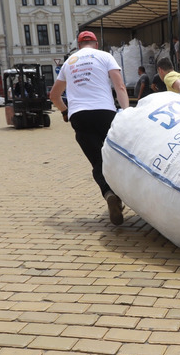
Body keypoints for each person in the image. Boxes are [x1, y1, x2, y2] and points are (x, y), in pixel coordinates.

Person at [50, 31, 131, 225]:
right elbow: (120, 87)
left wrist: (64, 112)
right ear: (95, 44)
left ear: (79, 45)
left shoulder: (69, 62)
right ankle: (128, 195)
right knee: (116, 156)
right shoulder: (105, 56)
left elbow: (54, 95)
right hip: (105, 113)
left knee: (97, 162)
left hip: (79, 116)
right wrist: (127, 112)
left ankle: (109, 193)